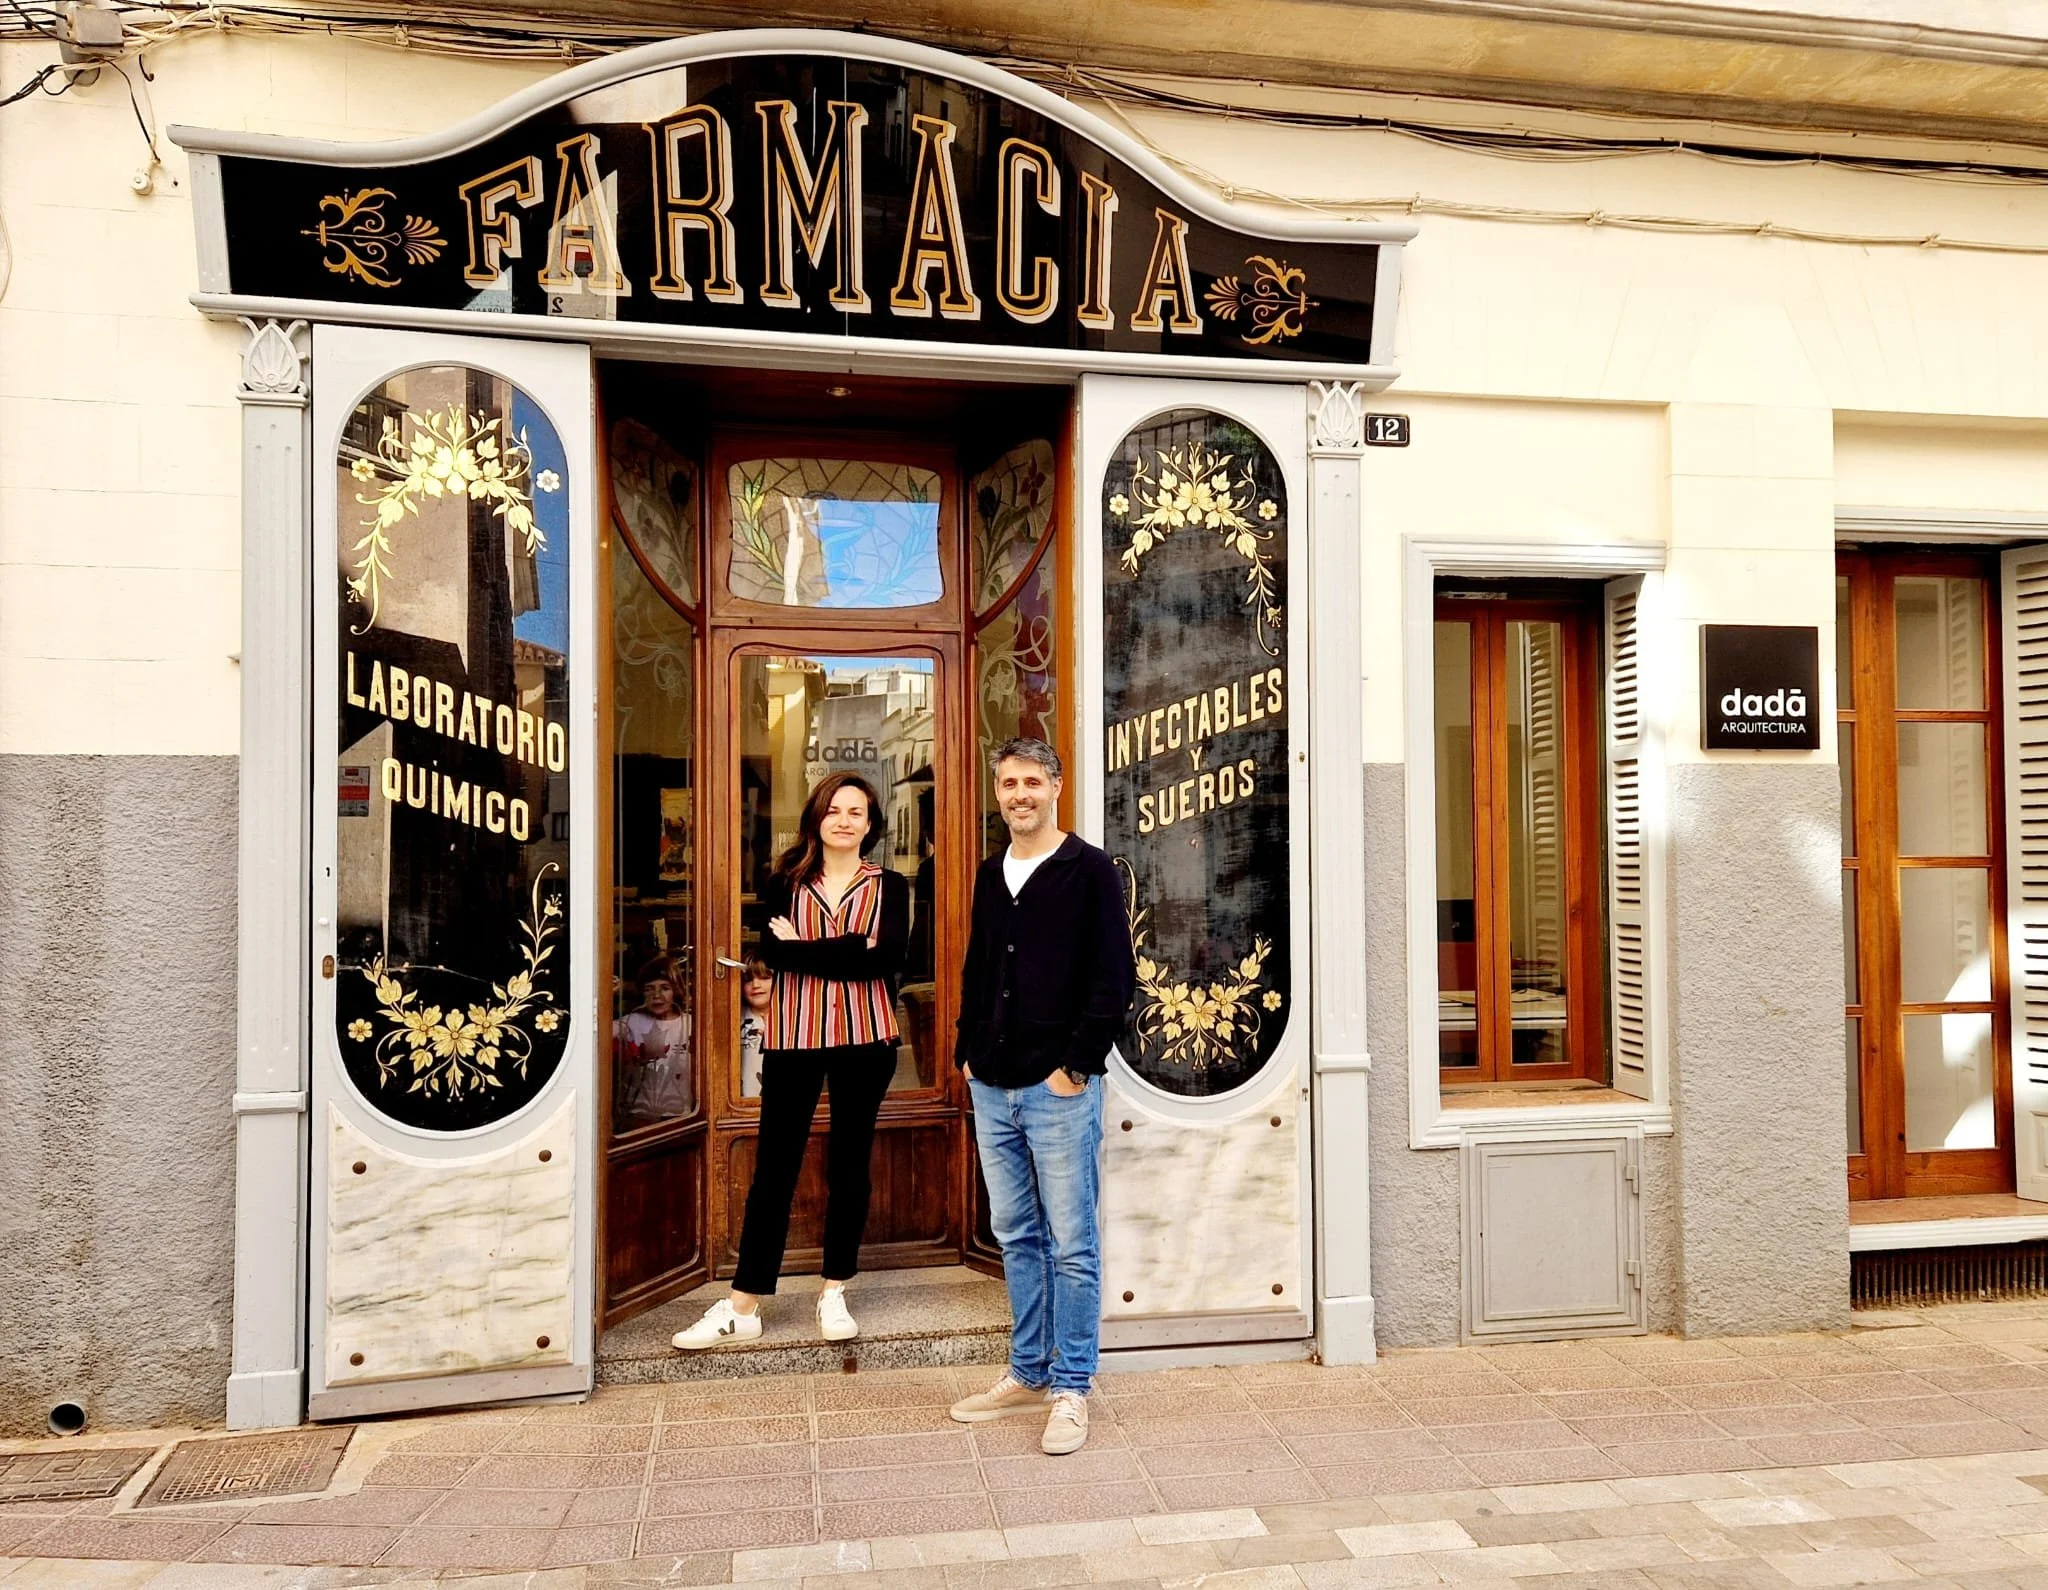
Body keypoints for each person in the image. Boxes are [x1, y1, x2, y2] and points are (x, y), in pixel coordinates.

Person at [672, 772, 908, 1350]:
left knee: (850, 1168)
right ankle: (743, 1305)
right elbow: (772, 953)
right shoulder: (784, 882)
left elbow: (890, 962)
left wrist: (806, 950)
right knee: (775, 1170)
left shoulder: (893, 886)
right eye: (834, 810)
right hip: (795, 1038)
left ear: (871, 825)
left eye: (856, 812)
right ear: (816, 818)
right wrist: (852, 947)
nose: (844, 820)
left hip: (866, 1038)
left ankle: (834, 1291)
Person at [948, 738, 1134, 1454]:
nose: (1018, 793)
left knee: (1072, 1244)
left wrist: (1077, 1067)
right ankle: (1027, 1373)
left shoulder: (1089, 870)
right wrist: (967, 1051)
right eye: (1007, 783)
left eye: (1031, 781)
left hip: (1058, 1088)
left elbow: (1113, 979)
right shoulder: (992, 873)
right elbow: (976, 965)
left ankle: (1071, 1387)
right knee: (1016, 1237)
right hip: (992, 1084)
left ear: (1055, 786)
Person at [613, 958, 692, 1121]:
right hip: (639, 1114)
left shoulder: (691, 1024)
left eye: (665, 988)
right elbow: (601, 1032)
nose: (657, 995)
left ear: (676, 991)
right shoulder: (631, 1022)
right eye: (649, 989)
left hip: (681, 1116)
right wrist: (610, 994)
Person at [738, 956, 772, 1099]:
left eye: (764, 978)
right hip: (741, 1105)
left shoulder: (788, 1020)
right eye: (748, 980)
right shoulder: (735, 1019)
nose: (755, 985)